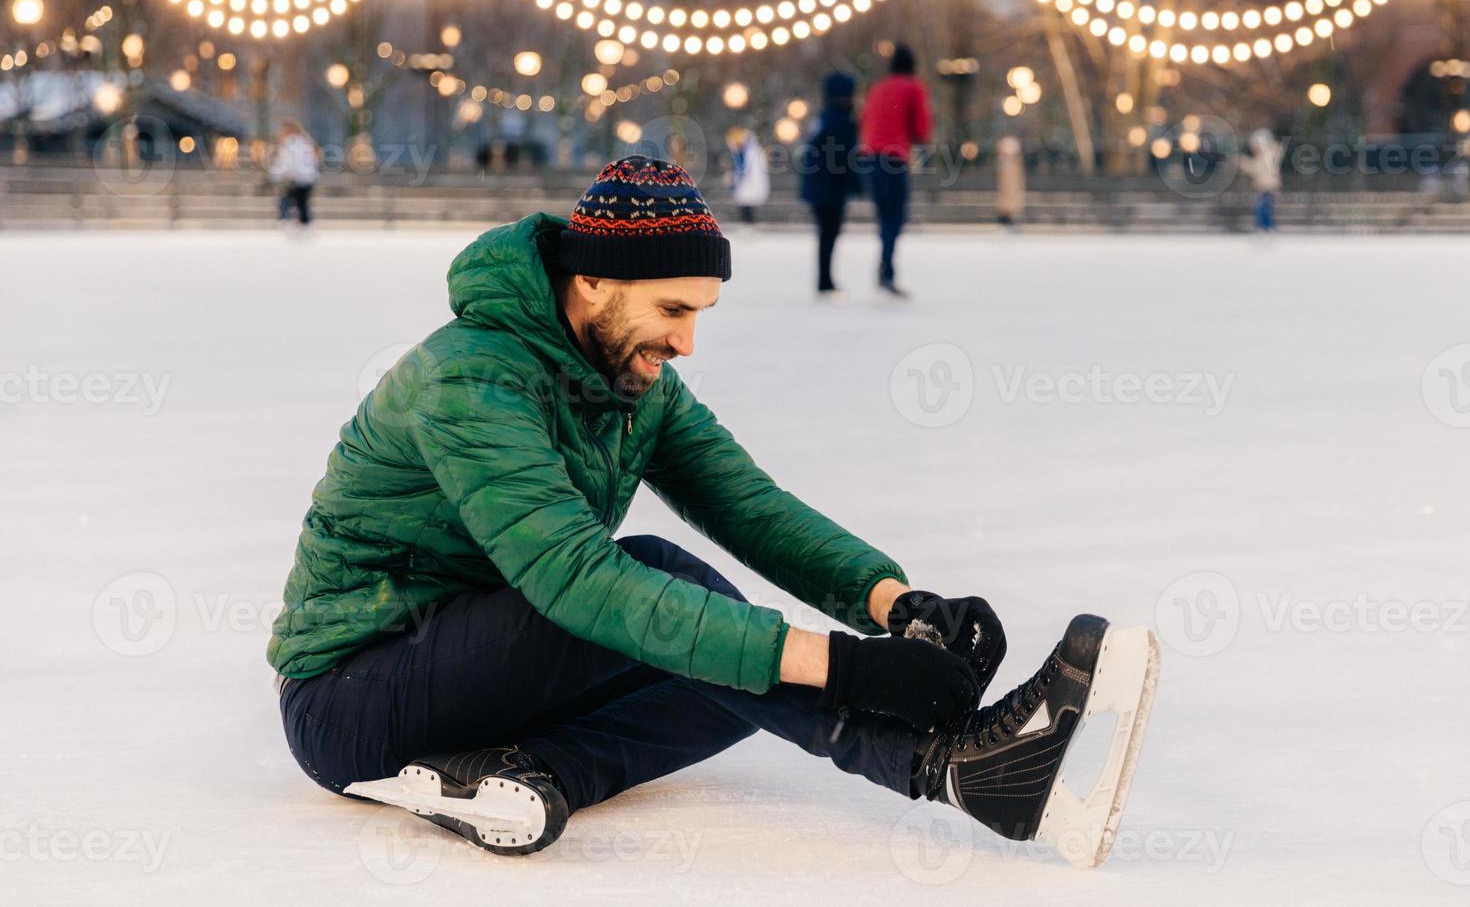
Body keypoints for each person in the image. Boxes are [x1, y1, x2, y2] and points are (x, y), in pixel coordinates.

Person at [268, 156, 1158, 867]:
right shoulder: (470, 378)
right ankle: (946, 769)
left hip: (478, 673)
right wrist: (845, 668)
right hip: (352, 695)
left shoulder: (634, 378)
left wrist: (893, 603)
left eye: (701, 312)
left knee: (729, 670)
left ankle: (526, 776)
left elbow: (749, 507)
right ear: (589, 285)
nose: (687, 340)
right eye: (672, 309)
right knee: (674, 597)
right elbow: (576, 580)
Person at [859, 43, 932, 298]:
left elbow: (866, 120)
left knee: (884, 216)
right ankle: (886, 270)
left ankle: (885, 265)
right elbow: (921, 128)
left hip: (871, 156)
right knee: (895, 216)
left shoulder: (878, 88)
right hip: (894, 157)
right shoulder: (913, 87)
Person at [798, 72, 863, 301]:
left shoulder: (824, 117)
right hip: (830, 189)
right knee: (829, 234)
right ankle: (825, 281)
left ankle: (825, 279)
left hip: (820, 187)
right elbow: (844, 158)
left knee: (825, 234)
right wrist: (855, 184)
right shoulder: (842, 120)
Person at [270, 120, 319, 226]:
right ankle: (304, 223)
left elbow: (286, 163)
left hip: (298, 179)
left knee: (287, 200)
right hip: (307, 178)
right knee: (302, 203)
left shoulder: (290, 143)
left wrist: (275, 176)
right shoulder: (305, 142)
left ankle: (286, 221)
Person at [1241, 128, 1283, 232]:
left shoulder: (1269, 156)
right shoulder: (1261, 158)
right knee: (1263, 209)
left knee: (1264, 209)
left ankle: (1267, 227)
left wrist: (1245, 163)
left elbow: (1257, 168)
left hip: (1268, 186)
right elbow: (1255, 169)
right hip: (1262, 186)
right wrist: (1244, 163)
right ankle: (1265, 227)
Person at [727, 127, 770, 224]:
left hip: (750, 182)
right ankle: (747, 222)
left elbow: (756, 170)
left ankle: (749, 222)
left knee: (748, 203)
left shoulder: (753, 152)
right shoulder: (741, 152)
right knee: (744, 203)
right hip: (743, 183)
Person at [995, 135, 1026, 229]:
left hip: (1012, 190)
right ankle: (1005, 220)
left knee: (1012, 200)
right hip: (1006, 192)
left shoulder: (1015, 163)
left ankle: (1010, 219)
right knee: (1006, 201)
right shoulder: (1003, 162)